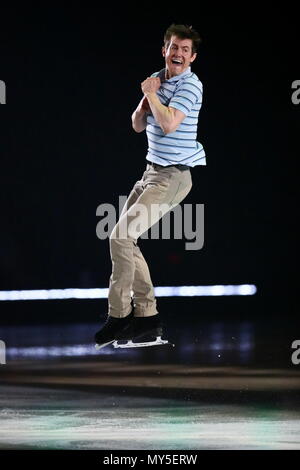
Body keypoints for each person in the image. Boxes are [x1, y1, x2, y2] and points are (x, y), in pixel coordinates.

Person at [95, 24, 206, 348]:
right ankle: (147, 319)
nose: (178, 54)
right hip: (150, 173)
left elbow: (170, 125)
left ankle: (119, 317)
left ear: (192, 57)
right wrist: (147, 97)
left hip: (172, 178)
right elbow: (137, 124)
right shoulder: (157, 78)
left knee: (120, 236)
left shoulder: (190, 86)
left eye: (185, 50)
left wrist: (150, 93)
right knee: (126, 242)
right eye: (174, 48)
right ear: (164, 50)